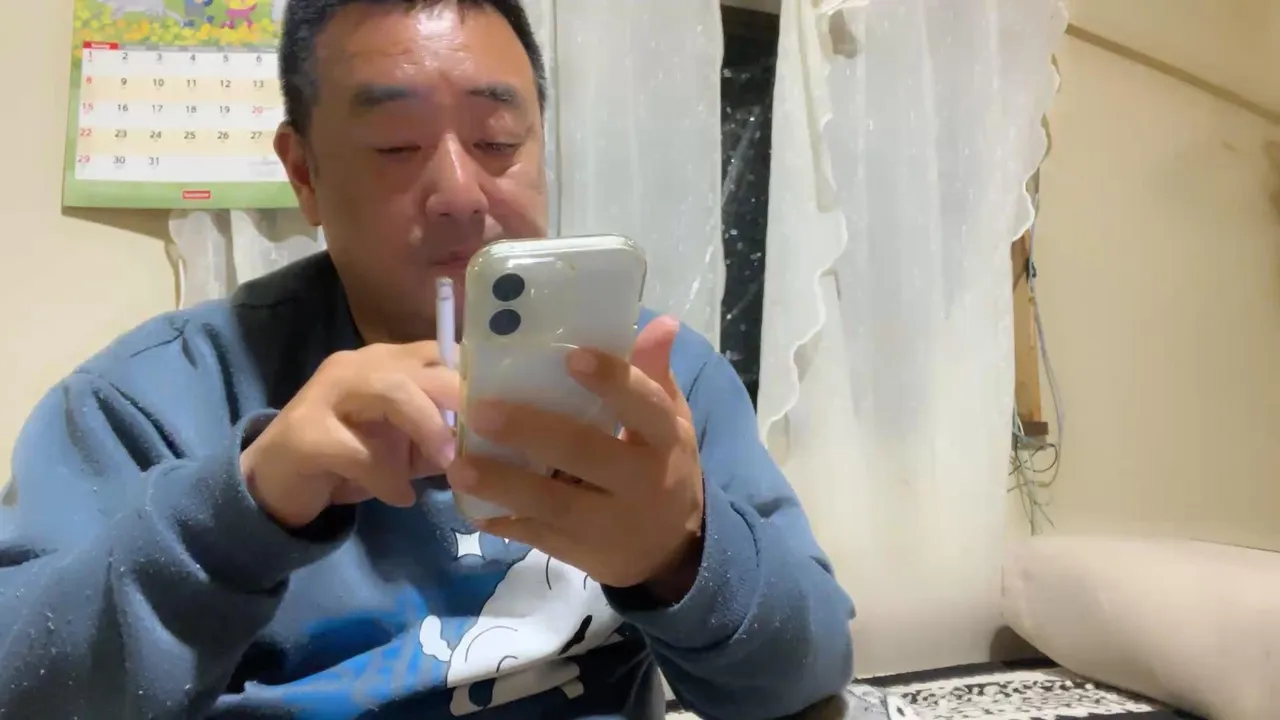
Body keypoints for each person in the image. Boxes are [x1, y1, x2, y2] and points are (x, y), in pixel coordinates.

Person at [0, 0, 854, 718]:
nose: (457, 195)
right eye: (395, 147)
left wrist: (679, 555)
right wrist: (246, 508)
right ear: (304, 173)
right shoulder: (144, 403)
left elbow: (807, 678)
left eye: (498, 140)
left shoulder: (651, 379)